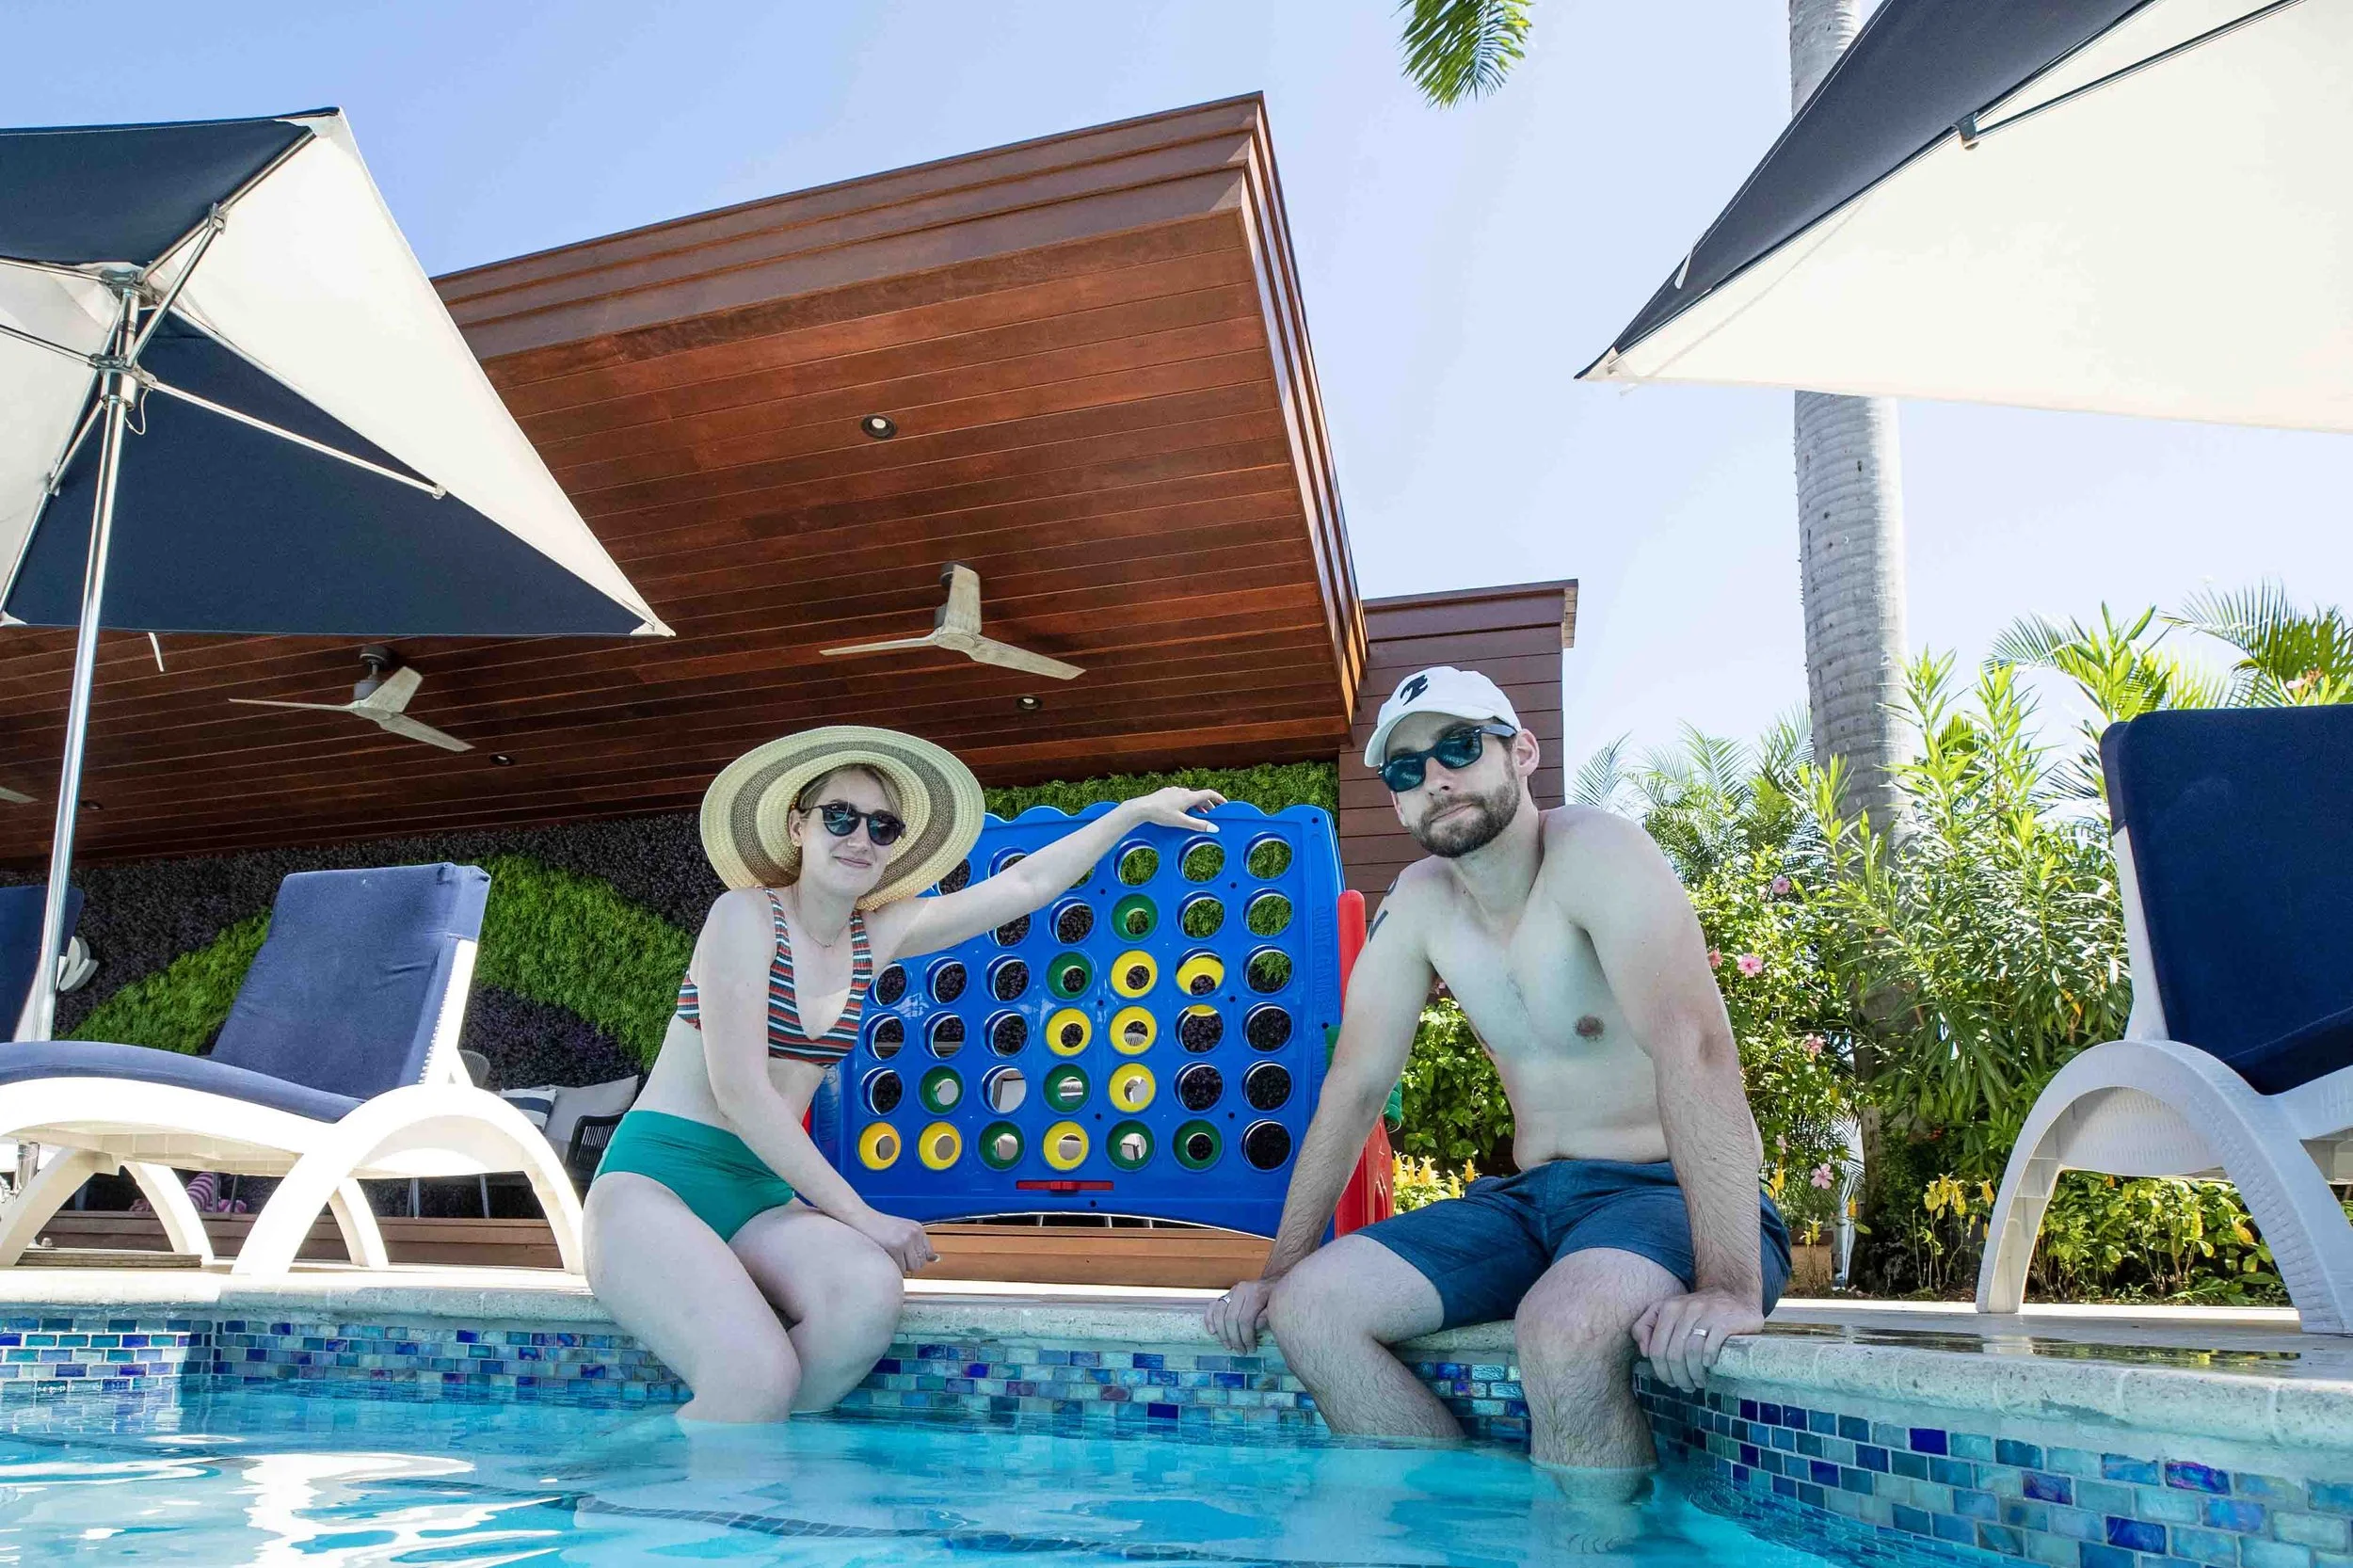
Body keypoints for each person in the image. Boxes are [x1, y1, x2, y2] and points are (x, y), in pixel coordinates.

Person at [1206, 668, 1789, 1496]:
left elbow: (1693, 1047)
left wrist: (1728, 1286)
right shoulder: (1420, 901)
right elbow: (1355, 1086)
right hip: (1525, 1203)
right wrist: (1278, 1271)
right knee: (1311, 1309)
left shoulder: (1595, 853)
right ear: (1398, 802)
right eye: (1406, 768)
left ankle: (1597, 1548)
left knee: (1564, 1329)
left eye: (1458, 747)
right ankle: (1450, 1530)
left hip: (1658, 1193)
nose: (1435, 778)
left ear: (1522, 752)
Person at [588, 726, 1220, 1423]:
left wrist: (1131, 813)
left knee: (866, 1296)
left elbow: (1026, 885)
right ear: (798, 827)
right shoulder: (744, 915)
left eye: (881, 826)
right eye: (839, 816)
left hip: (758, 1197)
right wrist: (861, 1216)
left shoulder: (876, 935)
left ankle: (746, 1454)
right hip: (657, 1183)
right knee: (755, 1374)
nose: (860, 837)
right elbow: (740, 1094)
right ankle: (653, 1466)